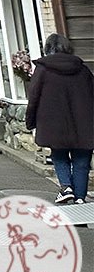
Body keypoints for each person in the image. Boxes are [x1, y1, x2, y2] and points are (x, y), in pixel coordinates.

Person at [24, 33, 94, 205]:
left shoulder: (43, 70)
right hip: (84, 123)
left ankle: (66, 187)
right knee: (82, 161)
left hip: (53, 123)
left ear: (48, 49)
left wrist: (30, 121)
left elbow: (34, 97)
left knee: (59, 155)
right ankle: (79, 198)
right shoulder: (83, 69)